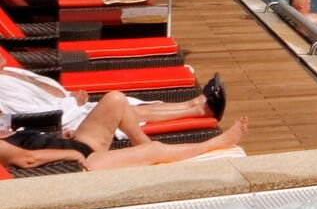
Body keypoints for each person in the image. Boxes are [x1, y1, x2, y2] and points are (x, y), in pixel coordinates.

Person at [0, 65, 243, 173]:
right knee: (154, 151)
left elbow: (25, 136)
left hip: (71, 145)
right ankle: (213, 144)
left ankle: (143, 146)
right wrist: (70, 155)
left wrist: (56, 136)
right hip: (74, 165)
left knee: (115, 100)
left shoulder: (3, 124)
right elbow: (27, 160)